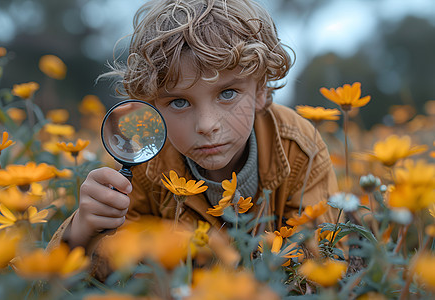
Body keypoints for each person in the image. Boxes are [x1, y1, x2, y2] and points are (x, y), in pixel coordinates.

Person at [49, 0, 338, 278]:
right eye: (178, 102)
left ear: (260, 90)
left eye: (227, 93)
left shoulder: (301, 150)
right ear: (150, 103)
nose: (207, 125)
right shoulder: (145, 166)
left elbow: (322, 262)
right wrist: (82, 231)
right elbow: (114, 270)